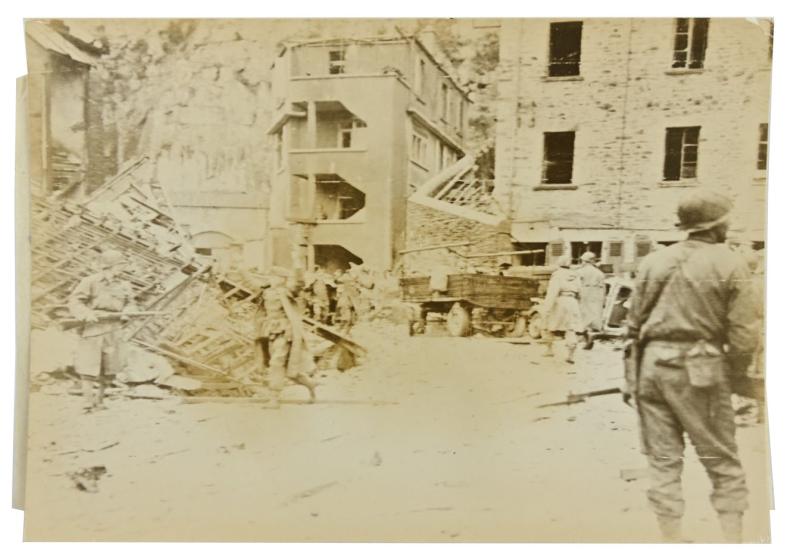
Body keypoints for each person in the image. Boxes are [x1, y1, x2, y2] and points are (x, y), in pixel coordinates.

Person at [624, 190, 760, 543]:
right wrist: (734, 375)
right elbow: (745, 334)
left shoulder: (654, 262)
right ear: (717, 225)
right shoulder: (731, 263)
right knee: (721, 457)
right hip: (699, 368)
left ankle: (671, 540)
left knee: (663, 458)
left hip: (650, 368)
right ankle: (734, 543)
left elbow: (632, 325)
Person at [68, 249, 134, 413]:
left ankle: (100, 400)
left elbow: (131, 303)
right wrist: (87, 314)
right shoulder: (90, 281)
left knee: (109, 367)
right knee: (88, 366)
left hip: (114, 329)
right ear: (108, 266)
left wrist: (127, 312)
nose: (123, 268)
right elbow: (75, 301)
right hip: (94, 328)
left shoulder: (124, 285)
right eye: (120, 265)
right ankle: (87, 403)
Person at [254, 267, 318, 409]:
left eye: (274, 277)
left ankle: (274, 399)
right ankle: (311, 385)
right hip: (271, 331)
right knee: (290, 372)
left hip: (285, 332)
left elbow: (298, 286)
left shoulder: (285, 291)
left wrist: (297, 267)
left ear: (282, 279)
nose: (271, 279)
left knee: (276, 363)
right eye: (271, 276)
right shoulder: (266, 292)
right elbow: (251, 285)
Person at [541, 255, 583, 363]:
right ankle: (571, 355)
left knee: (549, 324)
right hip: (572, 301)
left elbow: (552, 292)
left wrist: (547, 308)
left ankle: (549, 349)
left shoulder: (557, 274)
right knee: (571, 328)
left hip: (559, 301)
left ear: (559, 264)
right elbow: (580, 291)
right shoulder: (576, 274)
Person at [576, 251, 606, 344]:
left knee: (581, 315)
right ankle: (590, 335)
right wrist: (603, 299)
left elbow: (576, 285)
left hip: (584, 294)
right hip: (595, 295)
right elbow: (603, 288)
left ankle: (581, 337)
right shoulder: (599, 273)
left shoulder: (579, 272)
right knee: (593, 315)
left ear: (585, 261)